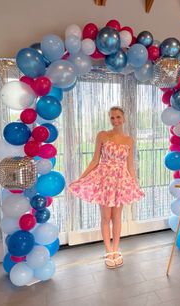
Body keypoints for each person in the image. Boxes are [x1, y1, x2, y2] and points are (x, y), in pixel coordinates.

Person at [68, 106, 144, 269]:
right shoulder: (102, 135)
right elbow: (95, 160)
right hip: (104, 179)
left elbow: (130, 164)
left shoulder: (129, 140)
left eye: (118, 117)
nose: (115, 120)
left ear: (124, 119)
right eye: (112, 117)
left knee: (117, 217)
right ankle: (108, 251)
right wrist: (81, 178)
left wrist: (134, 183)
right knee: (105, 217)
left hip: (120, 181)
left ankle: (116, 250)